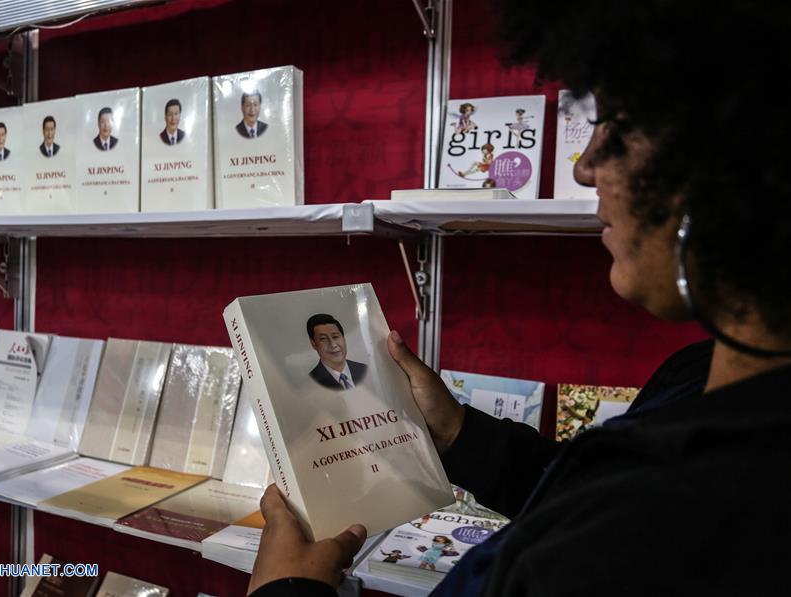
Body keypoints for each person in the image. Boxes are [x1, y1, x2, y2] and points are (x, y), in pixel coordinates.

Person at [247, 1, 791, 595]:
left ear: (731, 153)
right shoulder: (699, 373)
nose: (585, 169)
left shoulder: (677, 524)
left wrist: (286, 591)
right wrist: (456, 432)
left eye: (620, 124)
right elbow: (572, 491)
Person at [306, 314, 367, 391]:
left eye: (335, 336)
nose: (333, 344)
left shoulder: (364, 369)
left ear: (343, 338)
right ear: (313, 343)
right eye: (323, 338)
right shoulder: (311, 383)